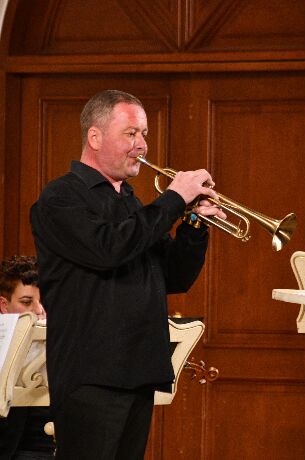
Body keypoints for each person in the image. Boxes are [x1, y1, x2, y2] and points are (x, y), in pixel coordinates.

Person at [29, 89, 226, 459]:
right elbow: (108, 250)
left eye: (144, 134)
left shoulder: (131, 202)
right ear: (95, 136)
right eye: (131, 133)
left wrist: (194, 225)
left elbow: (174, 278)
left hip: (136, 368)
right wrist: (172, 200)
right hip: (92, 373)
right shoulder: (61, 198)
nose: (142, 145)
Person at [0, 255, 55, 460]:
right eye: (26, 302)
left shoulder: (62, 341)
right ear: (4, 305)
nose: (39, 310)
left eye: (44, 302)